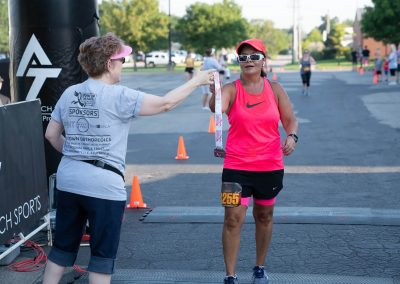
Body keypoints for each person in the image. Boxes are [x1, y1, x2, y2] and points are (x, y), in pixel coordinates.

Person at [42, 33, 214, 284]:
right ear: (110, 64)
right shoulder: (120, 96)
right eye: (121, 60)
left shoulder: (70, 93)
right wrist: (196, 81)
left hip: (69, 179)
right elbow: (165, 104)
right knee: (101, 258)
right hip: (104, 186)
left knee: (61, 250)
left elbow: (51, 135)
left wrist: (77, 155)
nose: (123, 64)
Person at [209, 38, 298, 284]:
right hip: (236, 167)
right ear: (239, 62)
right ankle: (230, 275)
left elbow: (290, 120)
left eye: (254, 56)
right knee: (232, 218)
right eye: (243, 57)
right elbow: (216, 108)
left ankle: (259, 267)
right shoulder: (231, 89)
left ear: (263, 61)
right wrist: (213, 95)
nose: (248, 61)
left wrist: (292, 136)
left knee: (265, 216)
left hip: (269, 166)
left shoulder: (275, 89)